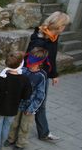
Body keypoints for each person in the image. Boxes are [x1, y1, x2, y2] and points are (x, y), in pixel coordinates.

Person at [26, 11, 70, 141]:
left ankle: (44, 133)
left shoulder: (53, 37)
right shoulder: (39, 40)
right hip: (34, 75)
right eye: (64, 26)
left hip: (43, 74)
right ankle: (15, 132)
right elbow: (29, 59)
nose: (64, 28)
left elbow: (52, 57)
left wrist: (54, 74)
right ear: (58, 26)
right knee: (30, 101)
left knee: (40, 102)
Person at [6, 48, 48, 150]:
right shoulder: (23, 71)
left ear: (39, 63)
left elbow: (41, 95)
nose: (29, 63)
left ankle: (20, 144)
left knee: (25, 126)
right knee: (14, 123)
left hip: (30, 106)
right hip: (18, 104)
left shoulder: (41, 76)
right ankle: (11, 139)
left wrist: (32, 108)